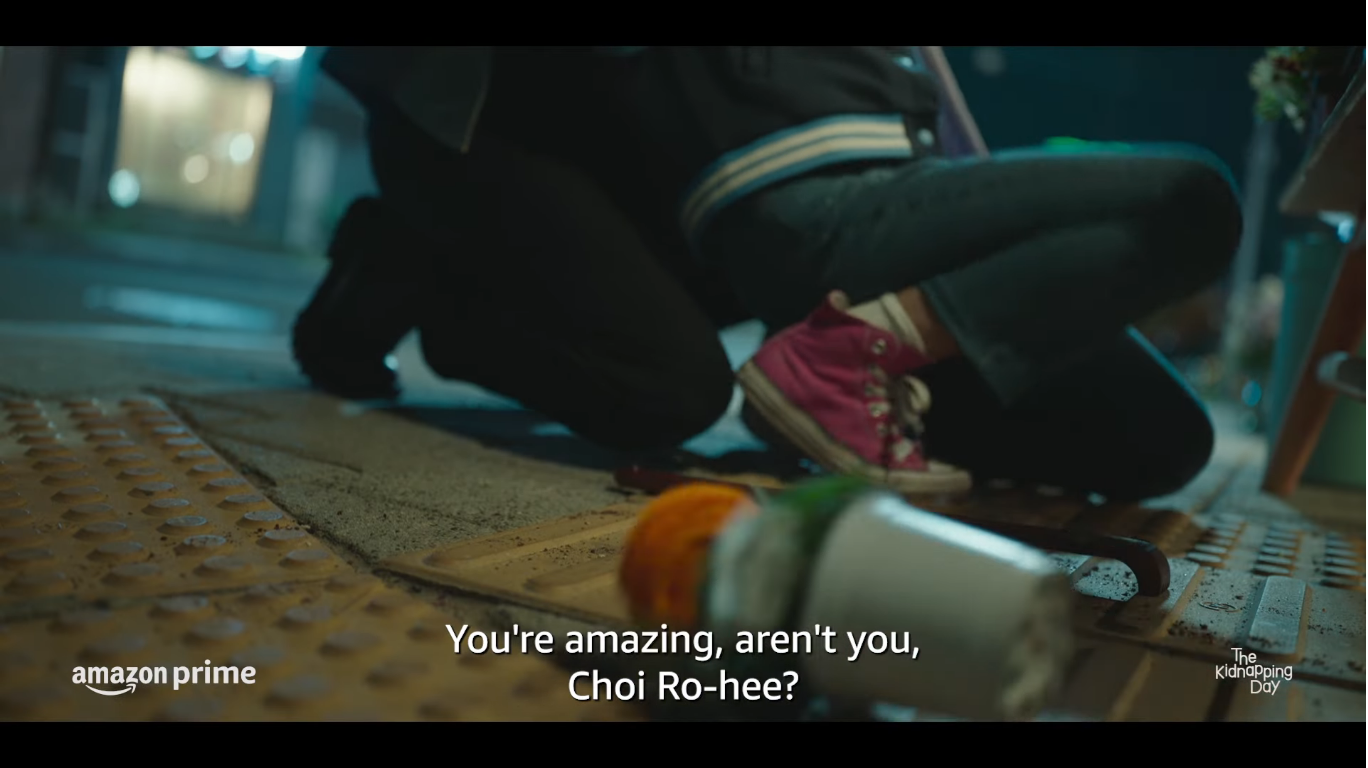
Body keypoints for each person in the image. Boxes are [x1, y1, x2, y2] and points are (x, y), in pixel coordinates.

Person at [295, 46, 1242, 503]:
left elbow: (943, 142)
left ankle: (834, 383)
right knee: (662, 389)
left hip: (678, 173)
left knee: (1156, 442)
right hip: (485, 122)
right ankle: (420, 272)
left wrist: (1013, 282)